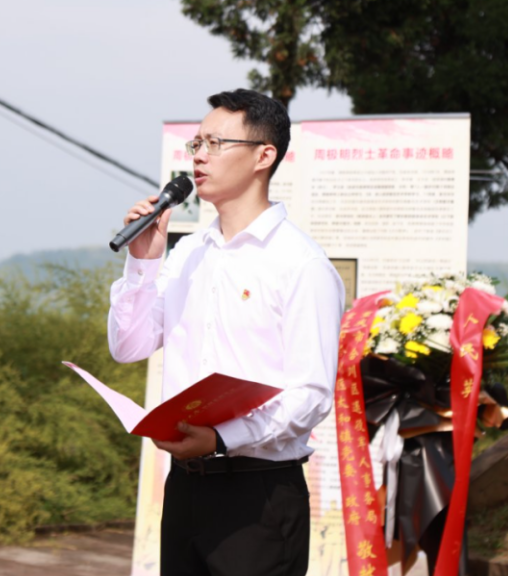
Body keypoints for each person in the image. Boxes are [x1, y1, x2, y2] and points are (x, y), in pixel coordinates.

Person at [107, 89, 345, 576]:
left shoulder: (301, 264)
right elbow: (128, 346)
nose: (199, 156)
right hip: (185, 487)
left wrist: (220, 437)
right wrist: (142, 263)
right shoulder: (189, 253)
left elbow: (311, 395)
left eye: (215, 143)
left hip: (258, 496)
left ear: (264, 156)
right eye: (196, 144)